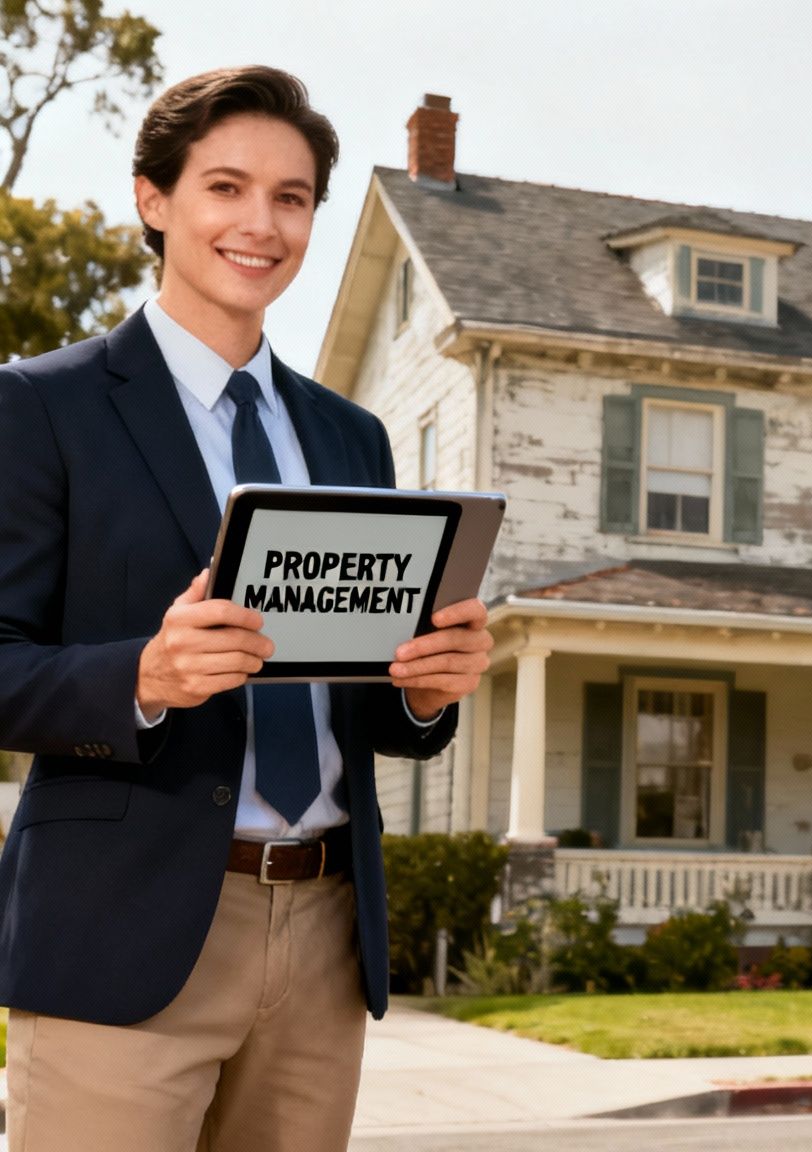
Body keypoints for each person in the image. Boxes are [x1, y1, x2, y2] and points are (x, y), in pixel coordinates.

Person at [0, 66, 493, 1151]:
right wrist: (142, 675)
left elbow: (365, 702)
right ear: (153, 198)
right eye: (225, 187)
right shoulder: (41, 405)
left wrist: (423, 693)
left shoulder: (353, 439)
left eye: (291, 197)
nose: (259, 224)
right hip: (120, 932)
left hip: (323, 935)